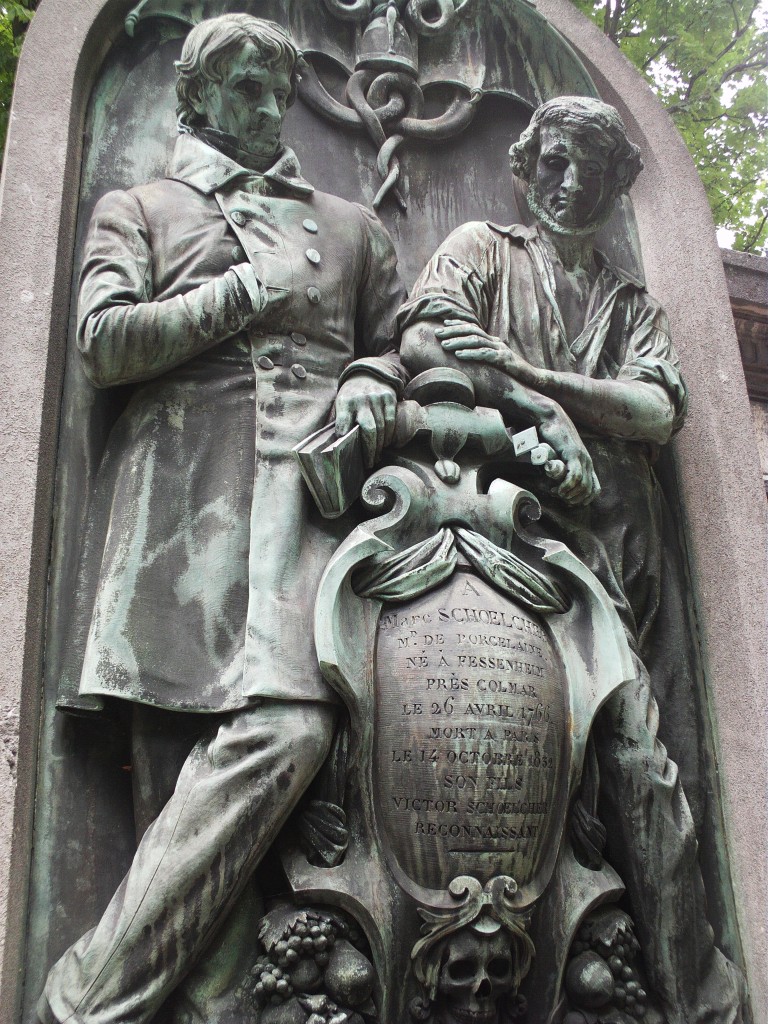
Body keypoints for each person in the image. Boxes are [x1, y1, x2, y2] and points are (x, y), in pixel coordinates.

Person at [39, 14, 408, 1024]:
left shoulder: (351, 228)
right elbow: (104, 343)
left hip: (312, 518)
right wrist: (245, 289)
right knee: (173, 807)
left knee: (289, 725)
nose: (258, 105)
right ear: (194, 100)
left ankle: (83, 999)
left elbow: (400, 344)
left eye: (270, 88)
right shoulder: (143, 206)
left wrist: (374, 381)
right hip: (178, 524)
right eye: (237, 86)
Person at [399, 96, 745, 1023]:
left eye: (590, 168)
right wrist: (544, 414)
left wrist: (534, 382)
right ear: (527, 164)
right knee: (598, 760)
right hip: (508, 541)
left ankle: (687, 990)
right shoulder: (481, 249)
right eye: (553, 161)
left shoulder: (632, 304)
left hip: (628, 555)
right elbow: (424, 337)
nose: (568, 181)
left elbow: (655, 412)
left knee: (649, 766)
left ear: (616, 182)